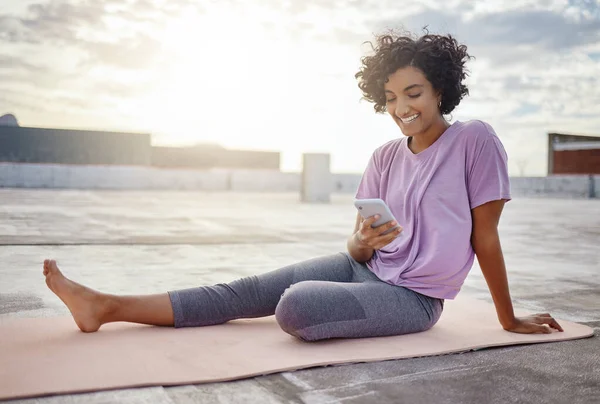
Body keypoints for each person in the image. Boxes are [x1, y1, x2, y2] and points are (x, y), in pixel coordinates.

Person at [42, 30, 563, 341]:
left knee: (294, 306)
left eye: (414, 93)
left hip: (414, 299)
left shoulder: (475, 140)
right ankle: (105, 306)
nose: (402, 108)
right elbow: (356, 242)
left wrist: (507, 316)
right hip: (365, 269)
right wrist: (361, 244)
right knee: (244, 291)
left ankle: (110, 307)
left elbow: (485, 236)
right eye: (390, 97)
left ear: (440, 90)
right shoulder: (384, 155)